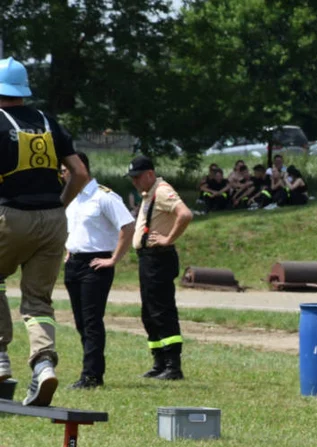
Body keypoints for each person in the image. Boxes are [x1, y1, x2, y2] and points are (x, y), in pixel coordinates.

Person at [0, 57, 89, 406]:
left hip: (11, 215)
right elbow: (79, 172)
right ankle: (44, 365)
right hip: (53, 220)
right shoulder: (47, 122)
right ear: (23, 91)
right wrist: (60, 206)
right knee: (37, 301)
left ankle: (1, 358)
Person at [61, 152, 135, 390]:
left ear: (78, 168)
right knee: (81, 321)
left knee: (92, 321)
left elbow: (127, 225)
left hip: (96, 264)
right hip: (74, 263)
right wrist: (68, 250)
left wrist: (113, 258)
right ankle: (91, 371)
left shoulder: (104, 196)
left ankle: (91, 375)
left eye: (63, 170)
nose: (61, 175)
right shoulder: (71, 198)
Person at [128, 155, 192, 381]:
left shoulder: (162, 191)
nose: (134, 182)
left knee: (161, 311)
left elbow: (185, 214)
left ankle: (173, 366)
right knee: (149, 312)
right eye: (132, 179)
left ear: (150, 174)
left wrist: (167, 238)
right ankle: (159, 362)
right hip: (148, 259)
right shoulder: (148, 193)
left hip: (159, 258)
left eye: (137, 177)